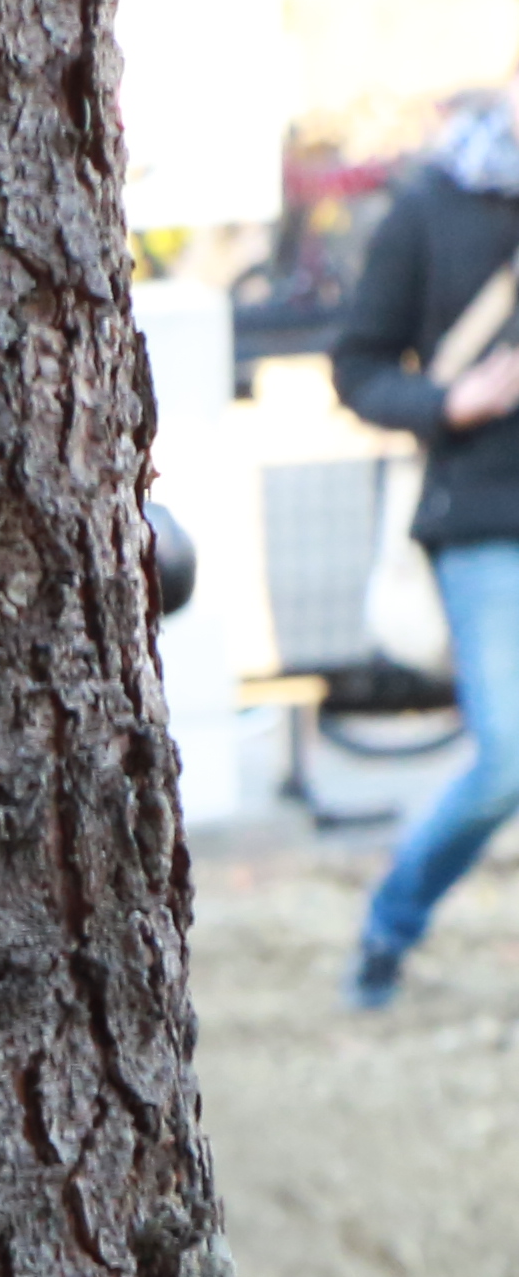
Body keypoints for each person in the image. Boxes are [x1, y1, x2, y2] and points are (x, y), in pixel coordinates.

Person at [342, 92, 519, 1007]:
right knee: (509, 761)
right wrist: (452, 405)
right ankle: (389, 930)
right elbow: (357, 366)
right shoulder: (429, 207)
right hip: (484, 521)